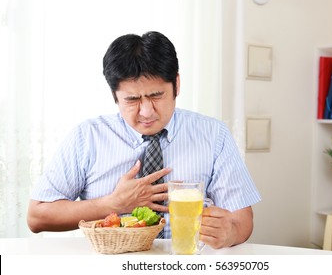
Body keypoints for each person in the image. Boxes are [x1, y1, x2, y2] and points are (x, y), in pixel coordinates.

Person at [27, 31, 261, 249]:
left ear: (176, 85)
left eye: (156, 95)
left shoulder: (214, 135)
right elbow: (37, 217)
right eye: (132, 99)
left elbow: (242, 220)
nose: (147, 111)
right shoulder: (87, 137)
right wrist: (113, 204)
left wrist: (229, 232)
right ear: (114, 96)